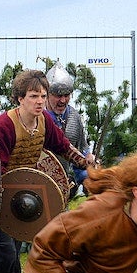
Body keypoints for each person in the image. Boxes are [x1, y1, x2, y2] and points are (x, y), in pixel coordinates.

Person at [0, 69, 91, 273]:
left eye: (42, 95)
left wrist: (84, 162)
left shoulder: (44, 122)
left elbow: (62, 145)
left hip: (24, 198)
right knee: (4, 252)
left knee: (18, 250)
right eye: (33, 96)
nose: (40, 101)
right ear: (19, 98)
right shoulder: (1, 126)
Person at [46, 61, 91, 198]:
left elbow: (82, 151)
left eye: (67, 95)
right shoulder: (37, 118)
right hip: (39, 182)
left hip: (64, 185)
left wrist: (87, 174)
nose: (63, 100)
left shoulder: (74, 117)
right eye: (58, 96)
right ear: (47, 94)